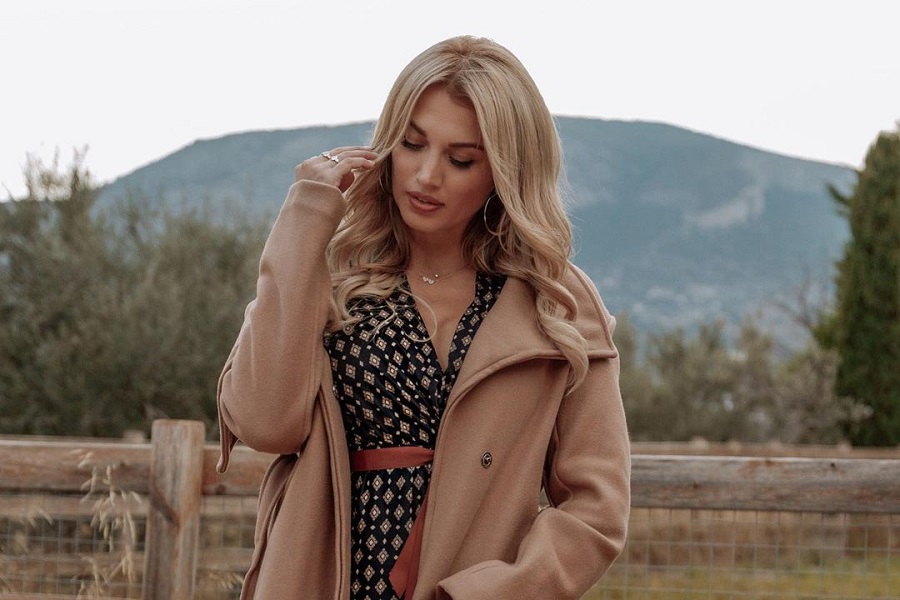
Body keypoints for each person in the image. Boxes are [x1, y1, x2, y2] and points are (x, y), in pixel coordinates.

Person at [216, 35, 631, 600]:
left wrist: (492, 593)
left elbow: (597, 508)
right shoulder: (331, 274)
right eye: (412, 145)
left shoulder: (558, 304)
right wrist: (305, 218)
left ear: (503, 173)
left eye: (461, 159)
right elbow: (266, 424)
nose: (426, 175)